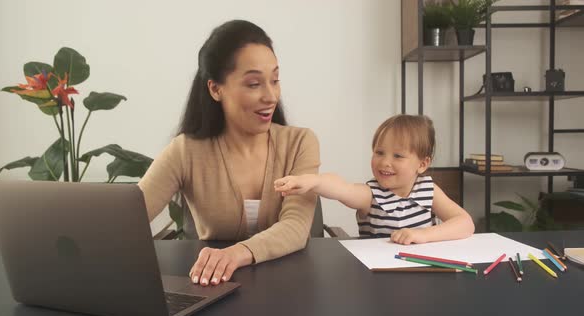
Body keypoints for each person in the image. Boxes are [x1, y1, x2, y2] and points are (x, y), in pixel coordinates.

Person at [139, 20, 320, 287]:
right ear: (215, 89)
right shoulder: (185, 150)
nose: (271, 96)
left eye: (275, 80)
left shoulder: (300, 142)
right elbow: (130, 218)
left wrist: (237, 253)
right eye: (254, 84)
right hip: (211, 287)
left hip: (290, 287)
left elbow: (296, 226)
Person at [274, 114, 474, 244]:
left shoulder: (428, 190)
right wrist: (312, 181)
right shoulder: (371, 195)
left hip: (424, 270)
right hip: (378, 275)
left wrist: (422, 235)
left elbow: (465, 223)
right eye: (379, 152)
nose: (385, 162)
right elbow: (341, 188)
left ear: (422, 164)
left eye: (398, 156)